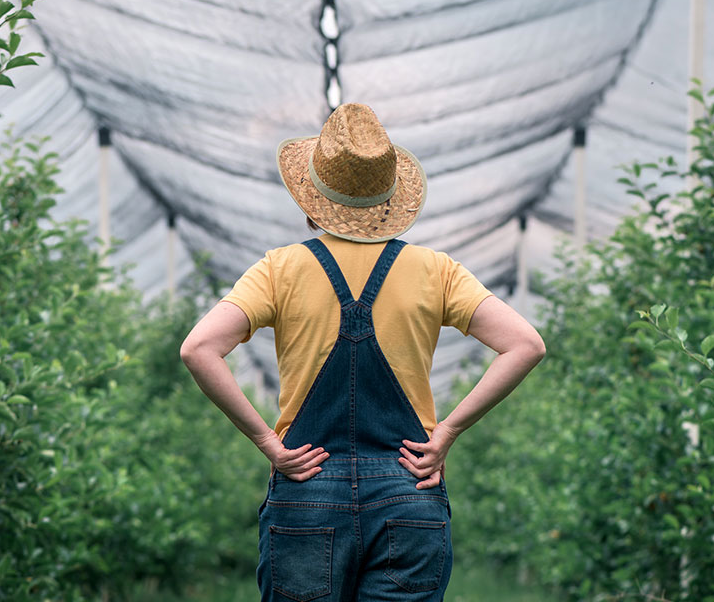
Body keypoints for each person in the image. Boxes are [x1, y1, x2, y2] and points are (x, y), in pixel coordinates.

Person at [180, 103, 545, 601]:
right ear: (388, 202)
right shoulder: (435, 270)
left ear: (312, 199)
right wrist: (449, 432)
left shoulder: (279, 269)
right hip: (408, 489)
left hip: (307, 486)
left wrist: (269, 442)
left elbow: (199, 348)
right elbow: (526, 344)